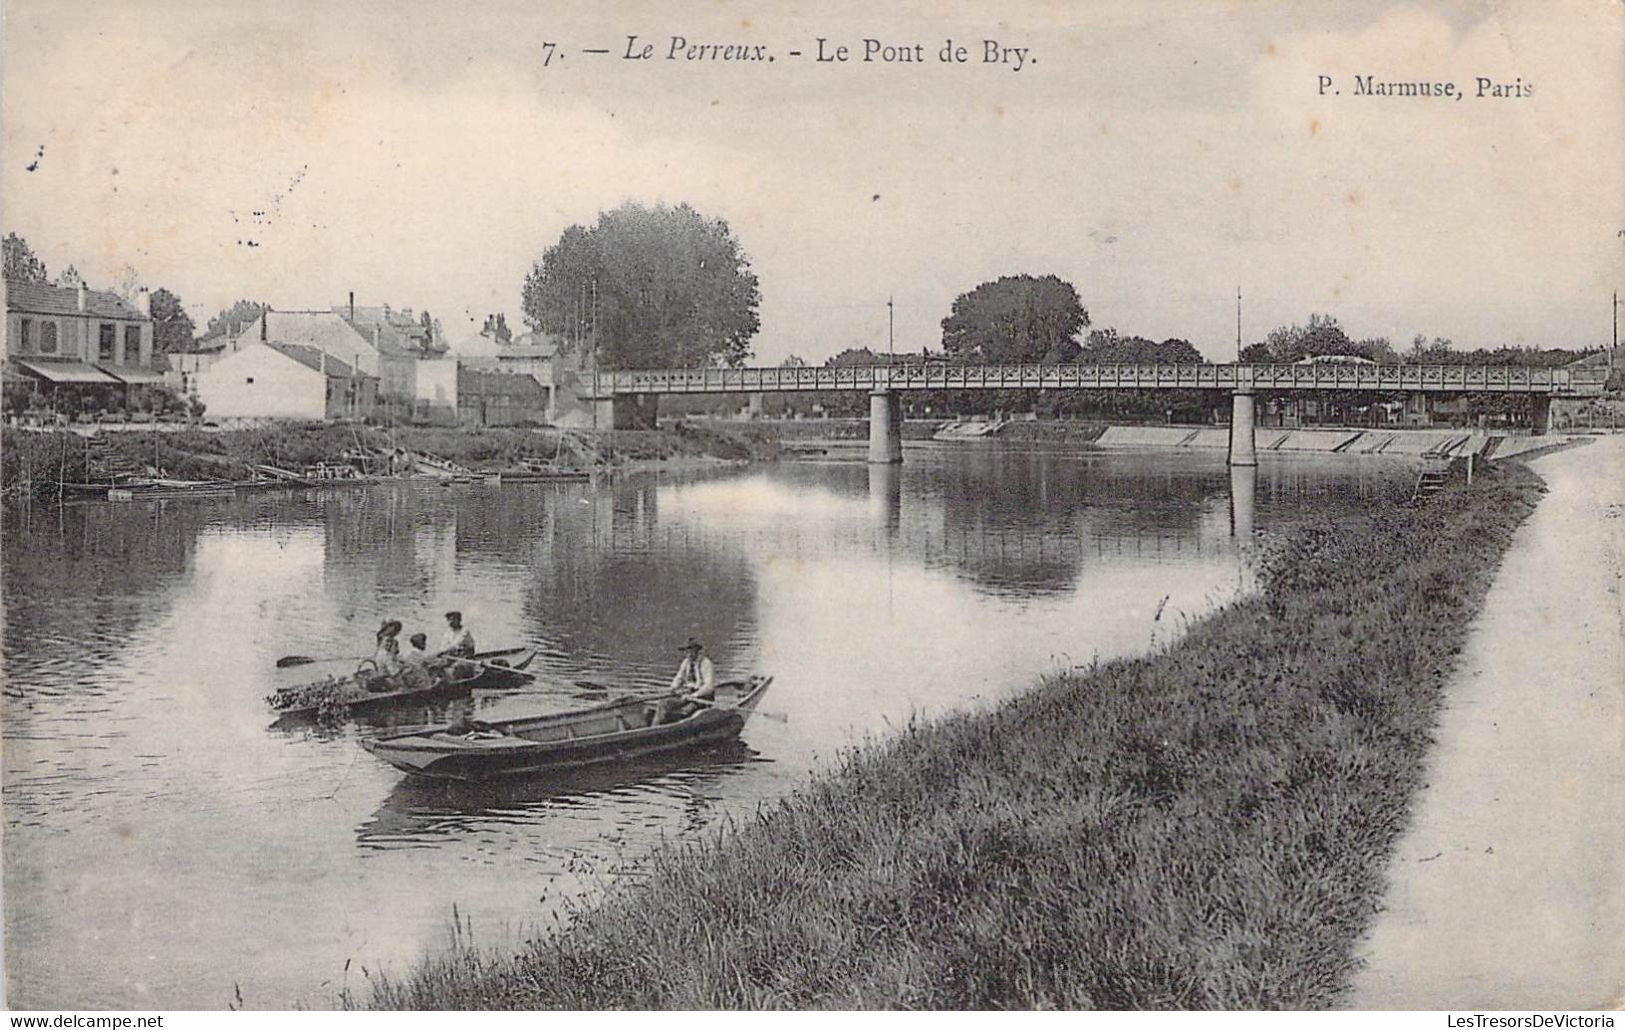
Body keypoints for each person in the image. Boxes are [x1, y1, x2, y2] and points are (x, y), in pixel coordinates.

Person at [651, 638, 716, 726]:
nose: (687, 654)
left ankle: (669, 727)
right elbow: (679, 677)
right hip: (687, 694)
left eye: (690, 651)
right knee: (664, 703)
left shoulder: (706, 663)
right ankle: (655, 727)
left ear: (696, 651)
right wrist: (673, 688)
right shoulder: (686, 662)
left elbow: (709, 687)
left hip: (702, 698)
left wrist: (694, 695)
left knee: (685, 712)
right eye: (686, 652)